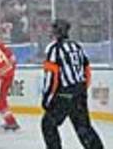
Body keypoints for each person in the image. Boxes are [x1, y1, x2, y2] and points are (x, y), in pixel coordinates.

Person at [41, 19, 104, 149]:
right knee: (83, 128)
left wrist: (47, 98)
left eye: (53, 29)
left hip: (64, 94)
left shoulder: (54, 49)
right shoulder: (76, 46)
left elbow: (52, 77)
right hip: (79, 91)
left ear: (57, 32)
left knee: (48, 124)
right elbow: (86, 69)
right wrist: (81, 90)